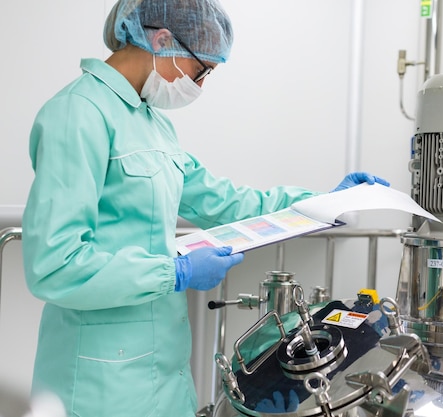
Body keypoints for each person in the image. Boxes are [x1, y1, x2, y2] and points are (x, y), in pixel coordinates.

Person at [21, 0, 389, 416]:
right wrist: (173, 272)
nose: (200, 83)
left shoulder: (152, 123)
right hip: (99, 381)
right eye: (202, 70)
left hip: (162, 374)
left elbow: (222, 199)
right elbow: (55, 265)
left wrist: (319, 203)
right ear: (162, 40)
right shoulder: (79, 114)